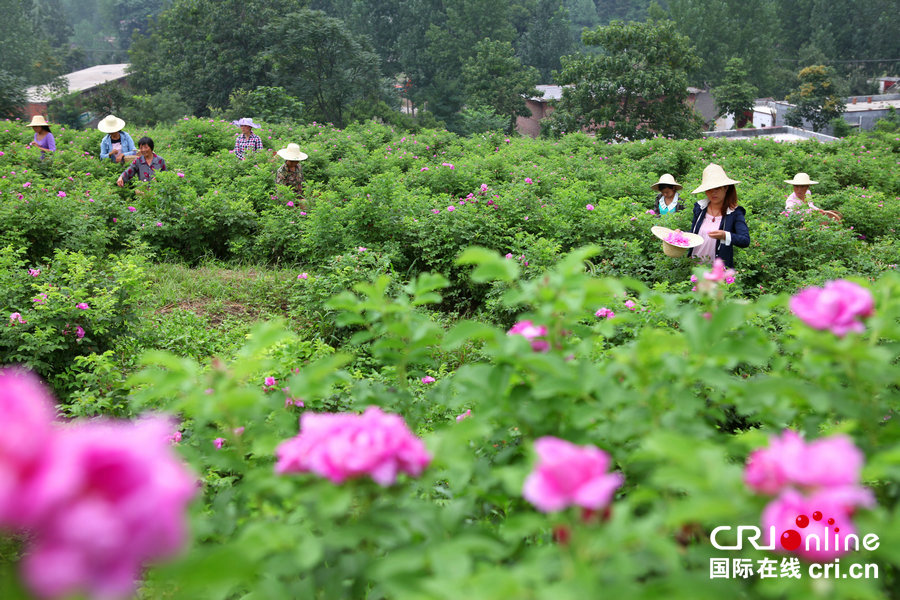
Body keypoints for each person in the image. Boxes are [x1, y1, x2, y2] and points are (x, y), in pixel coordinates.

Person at [687, 163, 750, 268]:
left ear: (725, 188)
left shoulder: (734, 213)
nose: (713, 193)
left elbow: (745, 240)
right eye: (709, 189)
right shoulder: (700, 208)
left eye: (717, 188)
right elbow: (695, 233)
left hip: (718, 270)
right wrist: (681, 236)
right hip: (696, 266)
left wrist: (725, 235)